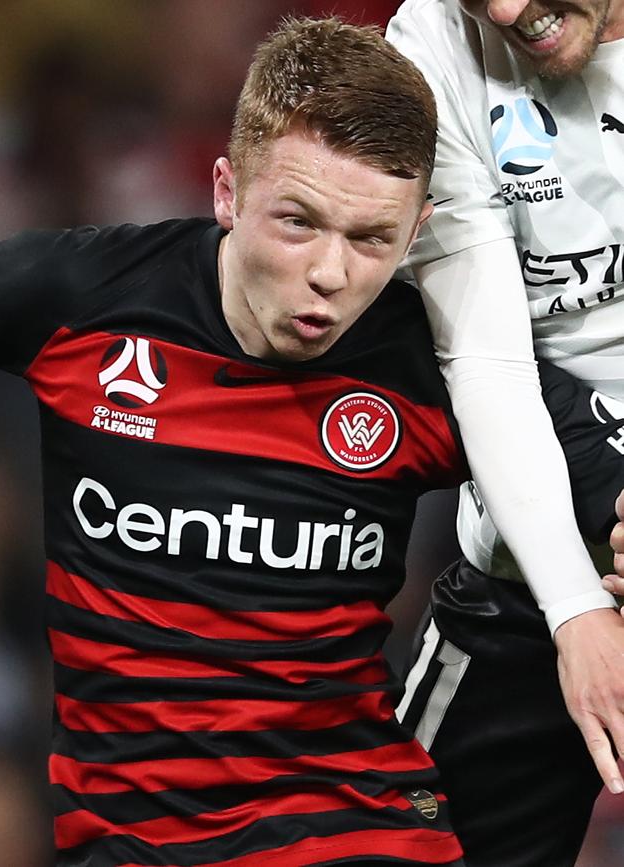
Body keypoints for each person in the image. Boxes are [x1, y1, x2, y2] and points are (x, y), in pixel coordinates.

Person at [0, 16, 473, 867]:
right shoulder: (84, 297)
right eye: (297, 222)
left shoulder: (439, 364)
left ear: (416, 230)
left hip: (357, 828)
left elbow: (591, 468)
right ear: (226, 190)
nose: (330, 272)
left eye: (370, 239)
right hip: (130, 839)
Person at [385, 1, 624, 864]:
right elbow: (482, 351)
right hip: (532, 569)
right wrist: (575, 605)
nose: (506, 10)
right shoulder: (431, 39)